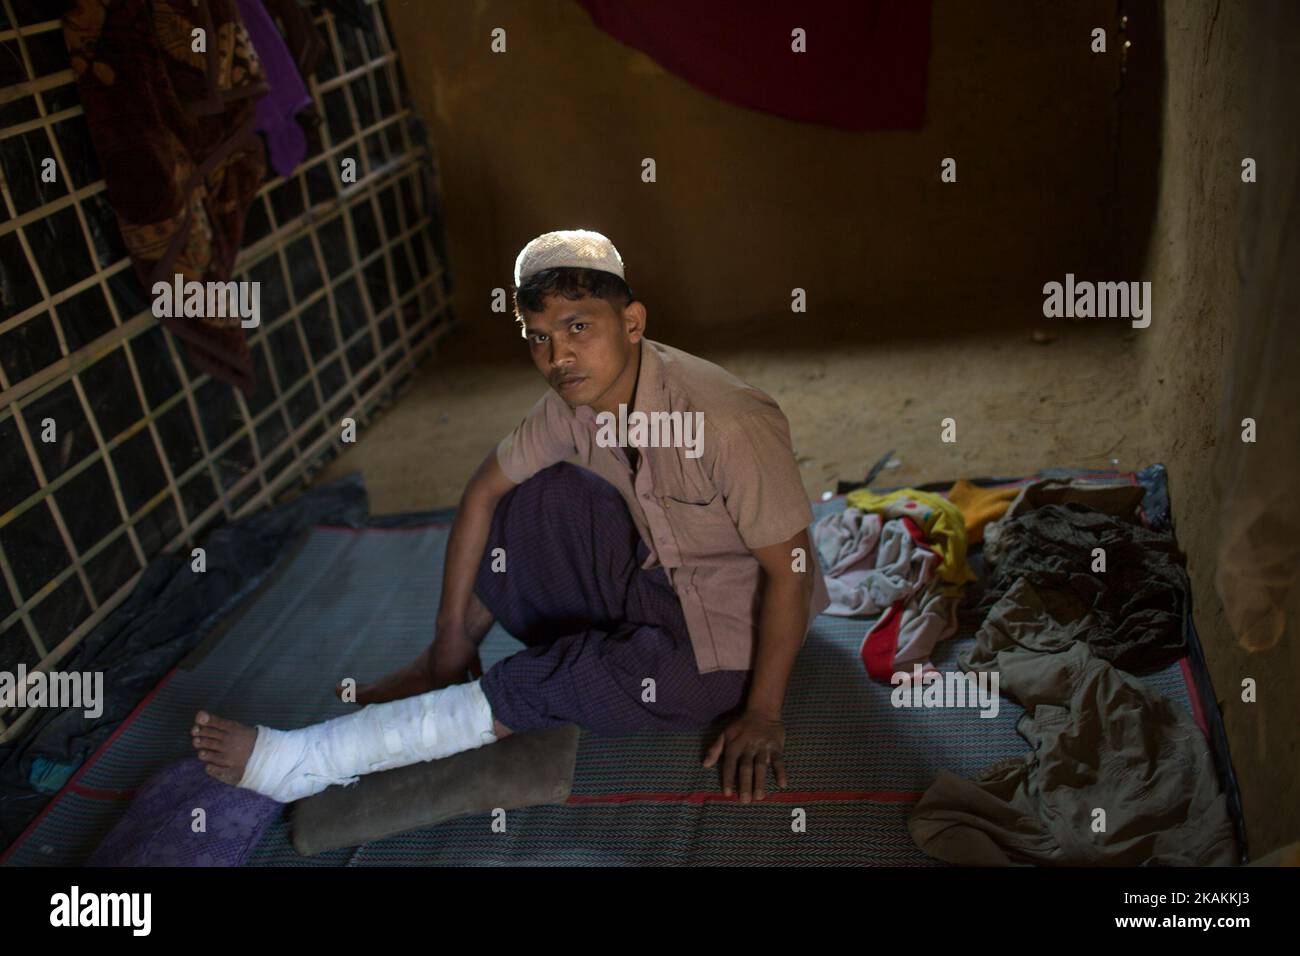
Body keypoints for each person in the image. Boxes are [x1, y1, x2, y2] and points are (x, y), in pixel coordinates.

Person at [192, 229, 829, 805]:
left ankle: (310, 760)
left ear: (632, 322)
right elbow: (480, 494)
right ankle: (450, 672)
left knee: (623, 677)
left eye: (580, 328)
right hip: (653, 580)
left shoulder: (725, 420)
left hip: (731, 632)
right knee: (536, 494)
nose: (559, 358)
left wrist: (766, 713)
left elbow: (791, 571)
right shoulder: (571, 400)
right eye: (539, 337)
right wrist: (448, 642)